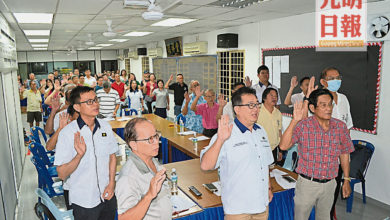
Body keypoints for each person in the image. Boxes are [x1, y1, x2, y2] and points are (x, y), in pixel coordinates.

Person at [279, 89, 354, 220]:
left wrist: (346, 179)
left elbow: (344, 153)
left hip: (330, 184)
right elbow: (283, 146)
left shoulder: (340, 127)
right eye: (323, 105)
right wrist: (294, 121)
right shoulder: (303, 126)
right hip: (307, 185)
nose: (328, 108)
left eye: (330, 104)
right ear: (312, 108)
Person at [200, 87, 274, 220]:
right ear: (237, 109)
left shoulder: (261, 131)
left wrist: (268, 187)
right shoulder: (226, 133)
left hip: (262, 205)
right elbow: (205, 166)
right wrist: (220, 140)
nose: (256, 109)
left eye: (257, 105)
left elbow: (265, 164)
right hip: (238, 210)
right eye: (251, 105)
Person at [54, 86, 118, 220]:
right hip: (84, 201)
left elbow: (112, 156)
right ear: (77, 107)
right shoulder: (67, 133)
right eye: (89, 102)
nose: (95, 104)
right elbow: (61, 174)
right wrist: (79, 156)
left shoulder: (105, 126)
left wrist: (111, 183)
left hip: (108, 195)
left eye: (95, 100)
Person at [116, 118, 171, 220]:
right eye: (150, 139)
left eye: (156, 136)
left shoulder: (152, 160)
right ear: (133, 145)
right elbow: (123, 218)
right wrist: (149, 195)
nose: (157, 142)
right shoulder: (128, 178)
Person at [317, 67, 353, 220]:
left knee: (332, 198)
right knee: (320, 199)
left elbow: (347, 127)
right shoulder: (318, 100)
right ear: (323, 81)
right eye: (332, 78)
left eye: (338, 77)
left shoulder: (343, 99)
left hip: (340, 160)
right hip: (322, 160)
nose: (336, 80)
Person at [257, 88, 283, 165]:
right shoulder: (257, 110)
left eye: (276, 96)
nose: (274, 98)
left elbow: (279, 132)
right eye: (271, 95)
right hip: (260, 148)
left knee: (272, 172)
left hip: (274, 149)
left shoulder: (278, 113)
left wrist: (280, 150)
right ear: (264, 98)